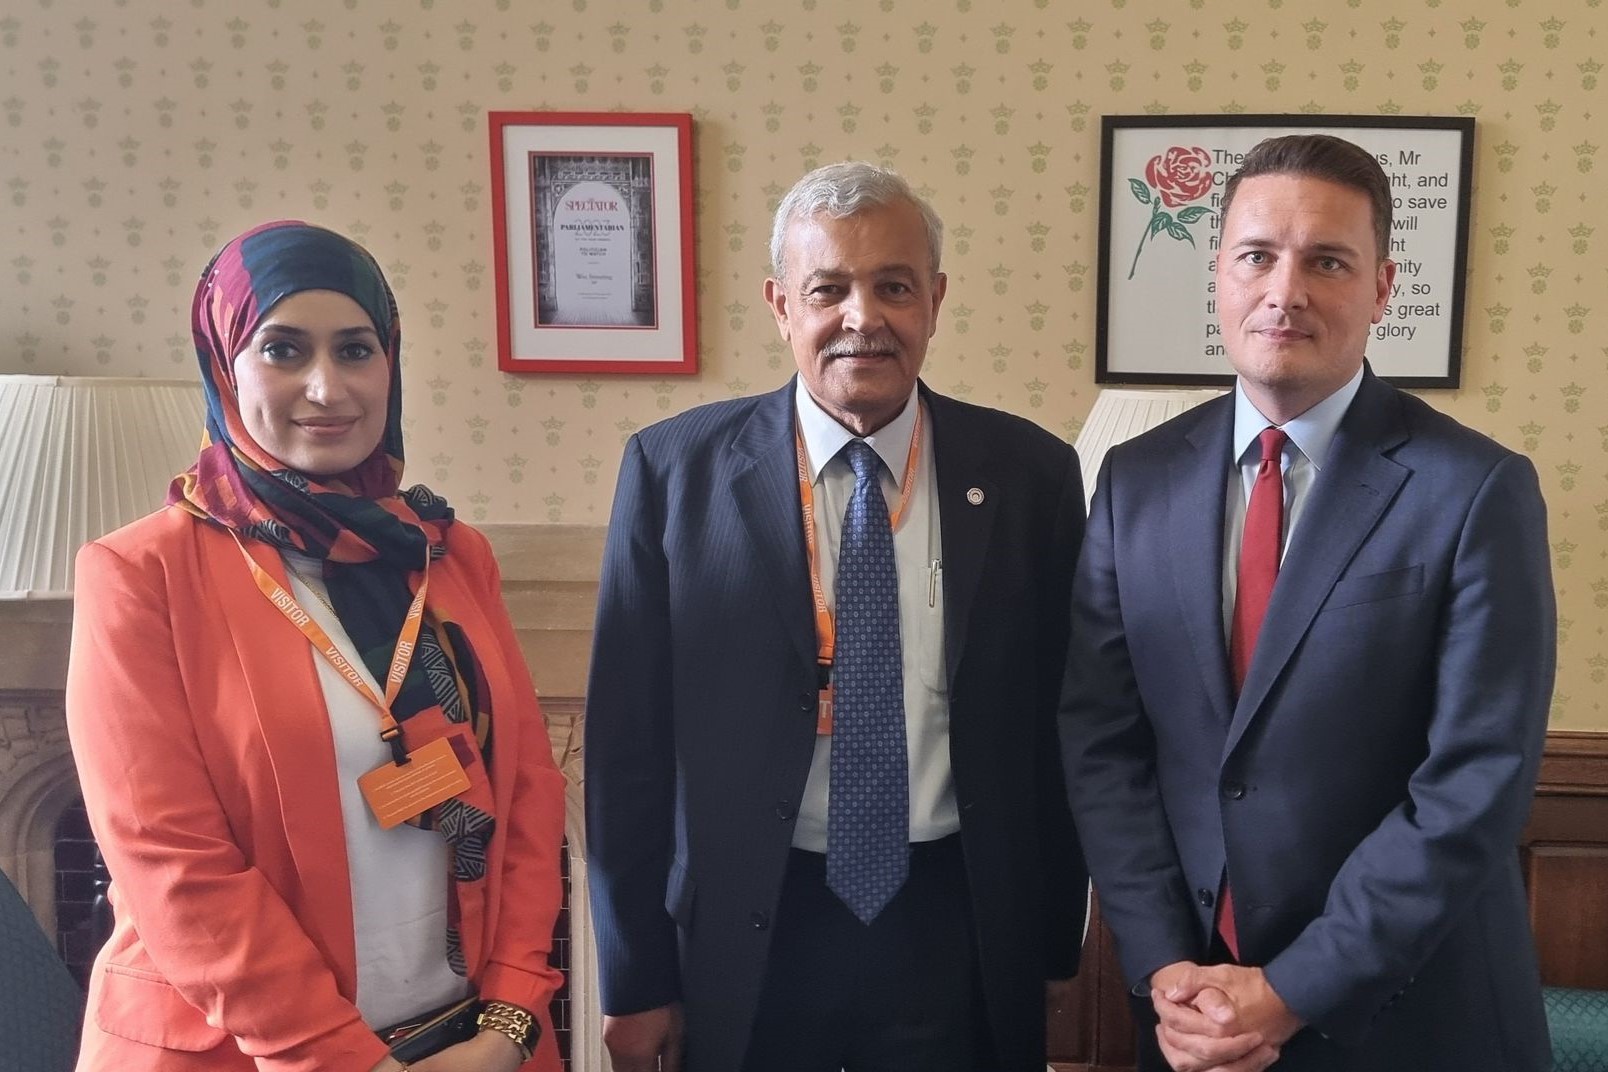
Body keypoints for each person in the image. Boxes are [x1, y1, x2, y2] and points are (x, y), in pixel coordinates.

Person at [1060, 133, 1555, 1072]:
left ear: (1382, 287)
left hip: (1407, 1018)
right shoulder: (1135, 481)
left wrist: (1295, 991)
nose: (1284, 290)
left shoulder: (1475, 489)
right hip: (1189, 1017)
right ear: (1219, 276)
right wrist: (1167, 968)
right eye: (1257, 255)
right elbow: (1102, 743)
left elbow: (1475, 779)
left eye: (1327, 261)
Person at [585, 162, 1087, 1072]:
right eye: (828, 290)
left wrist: (1056, 950)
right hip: (750, 929)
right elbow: (626, 752)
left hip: (959, 925)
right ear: (782, 306)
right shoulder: (672, 473)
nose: (864, 317)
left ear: (934, 301)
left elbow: (1060, 736)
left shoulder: (1032, 477)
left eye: (894, 286)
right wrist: (633, 976)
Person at [65, 221, 566, 1072]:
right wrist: (348, 1062)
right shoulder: (141, 574)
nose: (328, 388)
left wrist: (512, 1017)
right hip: (238, 1051)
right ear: (226, 365)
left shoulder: (446, 555)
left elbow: (526, 794)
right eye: (284, 350)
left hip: (467, 1041)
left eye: (356, 350)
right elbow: (173, 863)